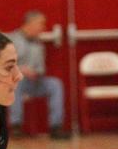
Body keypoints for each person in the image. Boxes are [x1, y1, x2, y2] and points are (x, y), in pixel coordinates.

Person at [7, 10, 70, 139]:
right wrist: (20, 69)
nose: (43, 27)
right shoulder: (11, 40)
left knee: (55, 84)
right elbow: (4, 65)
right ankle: (16, 126)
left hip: (34, 81)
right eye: (41, 24)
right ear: (30, 24)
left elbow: (40, 67)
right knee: (16, 84)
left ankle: (55, 127)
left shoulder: (38, 43)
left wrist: (37, 73)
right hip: (16, 79)